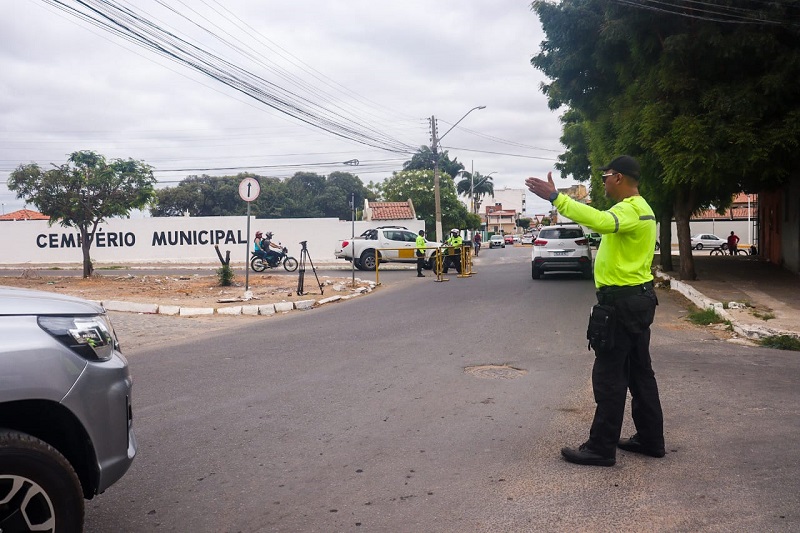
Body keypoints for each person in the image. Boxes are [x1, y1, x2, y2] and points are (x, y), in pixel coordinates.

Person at [525, 155, 664, 467]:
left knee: (609, 376)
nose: (602, 182)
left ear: (618, 177)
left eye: (605, 177)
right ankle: (651, 439)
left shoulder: (629, 209)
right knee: (641, 373)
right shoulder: (645, 209)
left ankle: (601, 448)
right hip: (639, 300)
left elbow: (599, 221)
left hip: (622, 304)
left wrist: (555, 198)